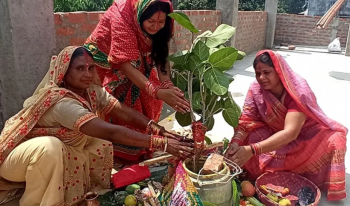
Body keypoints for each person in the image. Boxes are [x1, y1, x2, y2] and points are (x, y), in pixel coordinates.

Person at [0, 46, 193, 206]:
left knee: (98, 144)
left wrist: (155, 127)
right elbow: (109, 131)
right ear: (64, 73)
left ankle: (84, 195)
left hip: (49, 155)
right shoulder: (60, 102)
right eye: (80, 68)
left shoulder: (90, 91)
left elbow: (122, 111)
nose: (87, 74)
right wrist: (162, 144)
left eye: (91, 68)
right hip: (16, 162)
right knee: (51, 149)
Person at [225, 50, 347, 201]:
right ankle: (271, 171)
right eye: (257, 73)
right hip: (275, 133)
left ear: (279, 71)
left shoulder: (297, 92)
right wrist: (235, 142)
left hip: (305, 138)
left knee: (335, 140)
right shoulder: (256, 89)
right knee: (249, 136)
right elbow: (246, 120)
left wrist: (252, 150)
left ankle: (286, 171)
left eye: (266, 72)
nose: (261, 78)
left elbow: (290, 133)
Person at [84, 0, 189, 128]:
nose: (156, 27)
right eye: (151, 21)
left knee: (146, 99)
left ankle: (142, 138)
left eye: (161, 22)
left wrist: (167, 85)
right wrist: (158, 92)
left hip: (134, 64)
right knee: (112, 107)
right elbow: (125, 66)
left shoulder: (163, 27)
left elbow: (160, 54)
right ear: (140, 14)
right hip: (103, 68)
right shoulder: (121, 17)